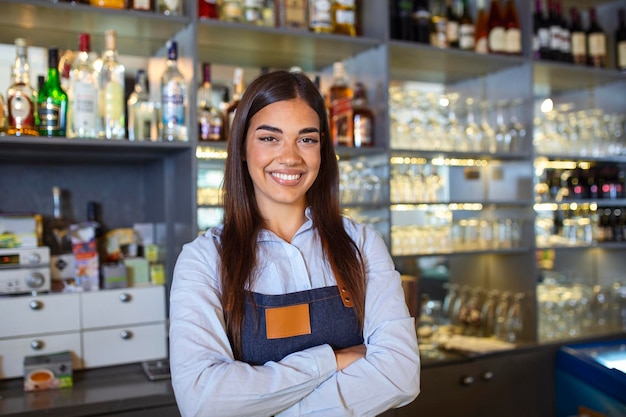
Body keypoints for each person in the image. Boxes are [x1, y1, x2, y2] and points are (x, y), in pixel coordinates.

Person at [169, 70, 420, 417]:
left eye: (306, 139)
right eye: (270, 138)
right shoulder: (203, 259)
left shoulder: (361, 244)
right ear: (242, 148)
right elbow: (204, 402)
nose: (290, 157)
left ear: (322, 150)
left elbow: (401, 375)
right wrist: (331, 360)